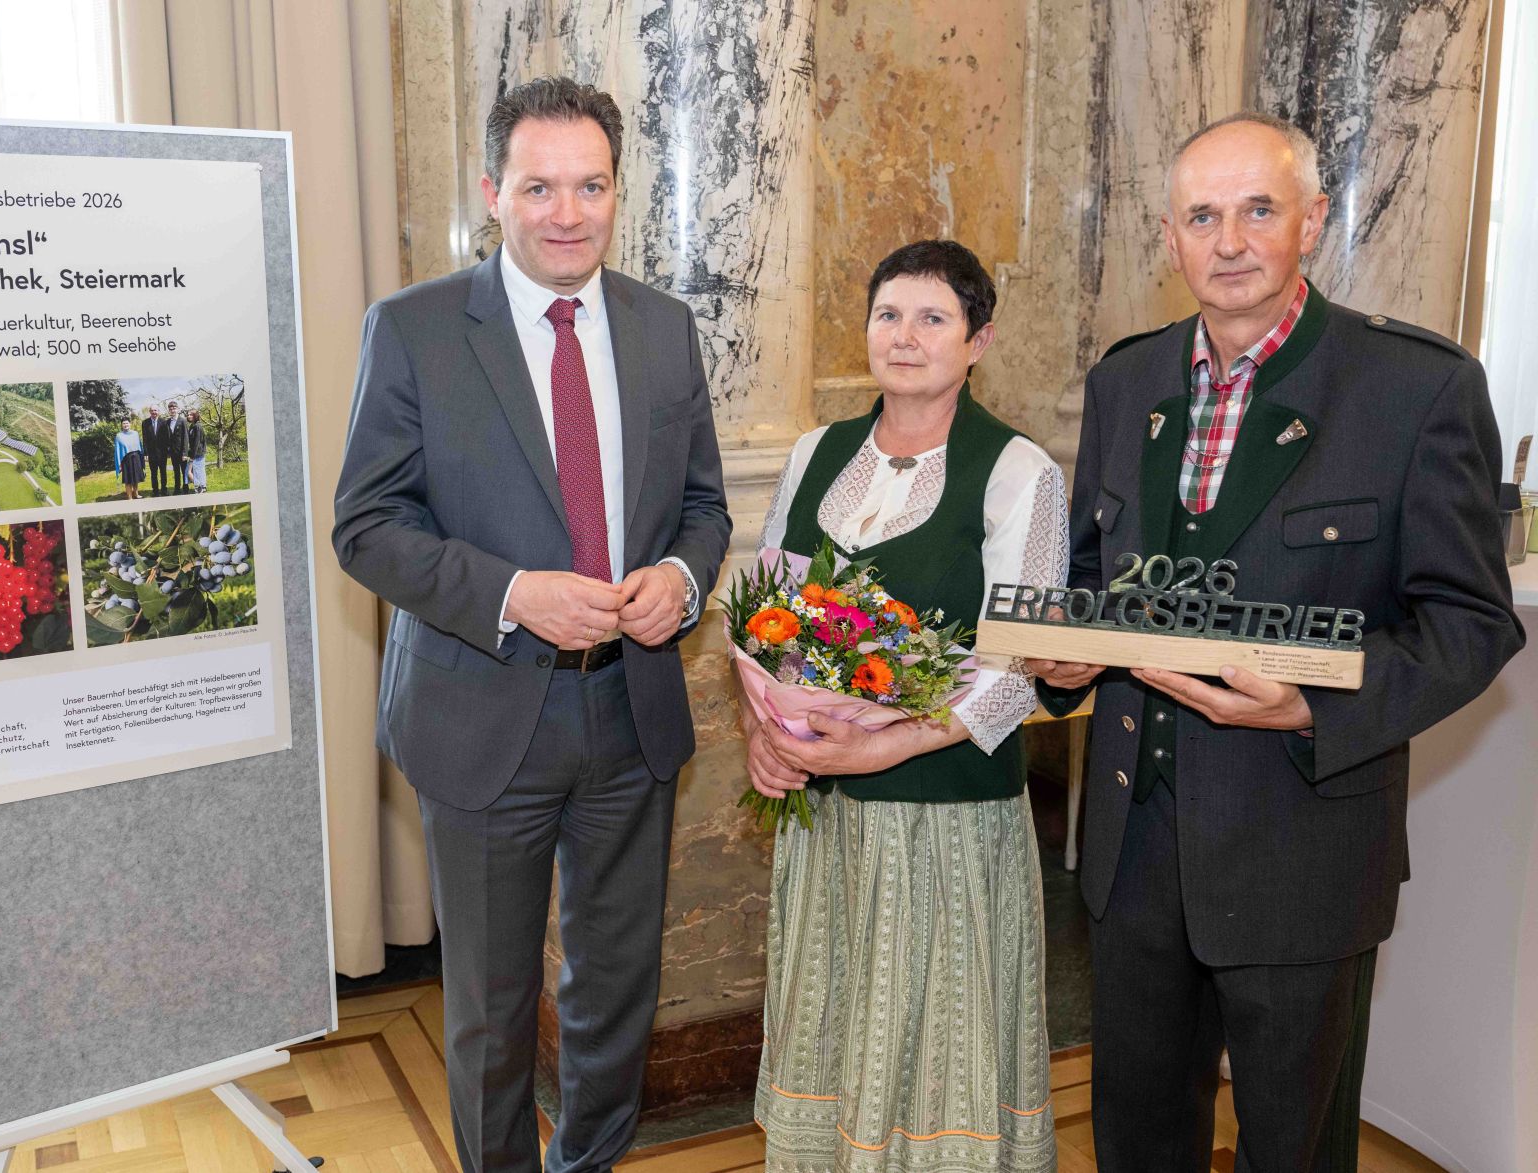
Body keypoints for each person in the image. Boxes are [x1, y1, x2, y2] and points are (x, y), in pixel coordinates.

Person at [1030, 112, 1525, 1171]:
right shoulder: (1125, 382)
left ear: (1313, 219)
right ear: (1169, 238)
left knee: (1293, 1153)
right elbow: (1092, 576)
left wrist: (1318, 703)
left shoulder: (1414, 389)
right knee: (1136, 1144)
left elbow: (1471, 620)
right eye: (1202, 216)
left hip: (1301, 849)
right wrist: (1065, 656)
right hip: (1133, 850)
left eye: (1258, 209)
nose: (1229, 241)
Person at [331, 76, 730, 1173]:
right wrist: (515, 594)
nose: (567, 213)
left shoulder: (662, 328)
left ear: (617, 192)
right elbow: (365, 528)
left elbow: (703, 507)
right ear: (492, 192)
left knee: (616, 992)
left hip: (631, 712)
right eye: (539, 186)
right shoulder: (414, 330)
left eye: (590, 186)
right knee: (491, 1012)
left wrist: (680, 580)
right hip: (481, 715)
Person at [746, 240, 1065, 1173]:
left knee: (935, 1039)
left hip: (945, 820)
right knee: (838, 1022)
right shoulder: (817, 453)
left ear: (978, 342)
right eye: (889, 314)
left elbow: (1017, 671)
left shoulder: (1018, 472)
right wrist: (766, 732)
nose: (906, 335)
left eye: (933, 318)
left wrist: (886, 747)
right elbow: (767, 617)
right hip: (826, 818)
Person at [113, 418, 144, 501]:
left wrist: (142, 457)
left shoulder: (135, 434)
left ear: (130, 424)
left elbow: (140, 445)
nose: (125, 425)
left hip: (136, 457)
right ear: (121, 425)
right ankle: (130, 497)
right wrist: (119, 463)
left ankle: (136, 494)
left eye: (127, 423)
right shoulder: (119, 436)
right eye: (124, 423)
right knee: (128, 479)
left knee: (136, 478)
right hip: (126, 459)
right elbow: (117, 450)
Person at [141, 404, 169, 495]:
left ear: (158, 411)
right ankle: (155, 491)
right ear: (150, 412)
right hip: (151, 453)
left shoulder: (164, 422)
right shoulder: (145, 423)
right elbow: (145, 439)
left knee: (163, 472)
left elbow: (167, 438)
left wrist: (167, 451)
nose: (154, 412)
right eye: (152, 410)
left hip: (162, 452)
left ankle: (164, 490)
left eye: (155, 410)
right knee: (153, 473)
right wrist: (145, 453)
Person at [164, 399, 189, 493]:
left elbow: (186, 437)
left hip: (182, 452)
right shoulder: (167, 422)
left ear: (177, 409)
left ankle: (185, 487)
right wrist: (168, 451)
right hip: (173, 452)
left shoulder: (183, 421)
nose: (172, 410)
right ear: (169, 411)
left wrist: (185, 453)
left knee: (184, 470)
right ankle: (177, 488)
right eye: (170, 409)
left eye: (174, 409)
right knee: (176, 471)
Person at [184, 408, 207, 492]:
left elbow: (197, 442)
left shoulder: (198, 426)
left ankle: (200, 487)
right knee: (192, 472)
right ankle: (201, 487)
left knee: (196, 472)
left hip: (198, 454)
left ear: (195, 416)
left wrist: (192, 456)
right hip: (193, 453)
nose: (189, 416)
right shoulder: (192, 426)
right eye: (188, 415)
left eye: (191, 414)